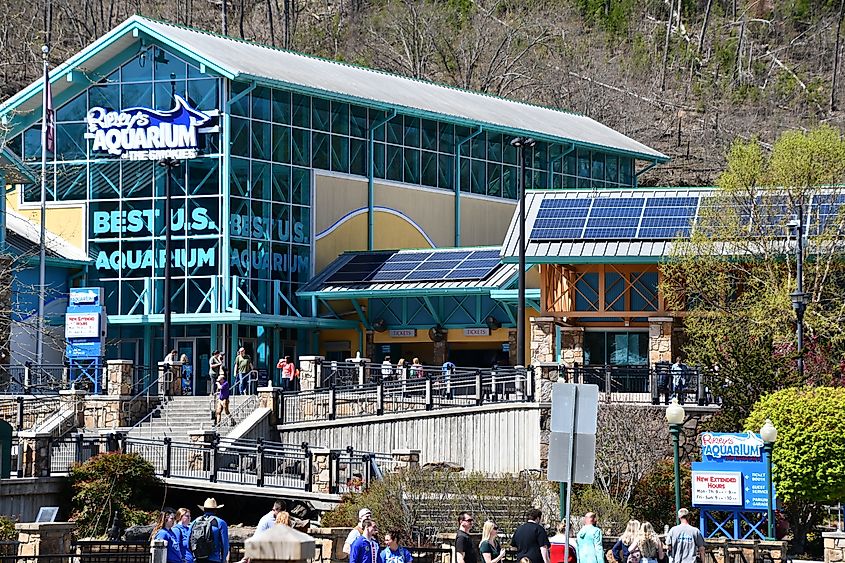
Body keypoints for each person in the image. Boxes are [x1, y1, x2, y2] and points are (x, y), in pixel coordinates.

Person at [188, 498, 229, 563]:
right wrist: (223, 559)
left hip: (198, 559)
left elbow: (188, 541)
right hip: (214, 559)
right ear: (216, 510)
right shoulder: (220, 523)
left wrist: (194, 556)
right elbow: (225, 545)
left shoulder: (195, 522)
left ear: (204, 509)